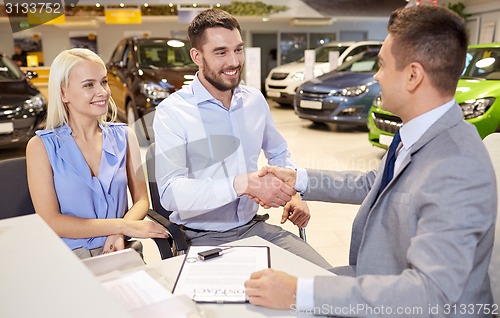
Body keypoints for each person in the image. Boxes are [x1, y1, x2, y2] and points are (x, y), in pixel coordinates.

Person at [245, 5, 497, 317]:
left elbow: (430, 293)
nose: (376, 76)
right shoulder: (417, 132)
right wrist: (298, 178)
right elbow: (373, 183)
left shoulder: (457, 167)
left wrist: (299, 292)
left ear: (413, 76)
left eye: (382, 65)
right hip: (378, 280)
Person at [153, 8, 331, 269]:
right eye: (221, 52)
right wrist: (242, 184)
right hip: (202, 239)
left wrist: (290, 191)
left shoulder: (254, 100)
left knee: (326, 279)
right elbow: (170, 194)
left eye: (238, 49)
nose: (234, 61)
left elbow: (279, 152)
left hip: (255, 228)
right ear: (197, 56)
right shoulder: (173, 112)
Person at [26, 48, 168, 259]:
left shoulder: (125, 137)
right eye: (88, 85)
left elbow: (141, 200)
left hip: (120, 250)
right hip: (69, 259)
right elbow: (51, 221)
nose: (102, 92)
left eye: (103, 82)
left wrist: (119, 233)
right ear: (63, 93)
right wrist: (122, 226)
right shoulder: (40, 147)